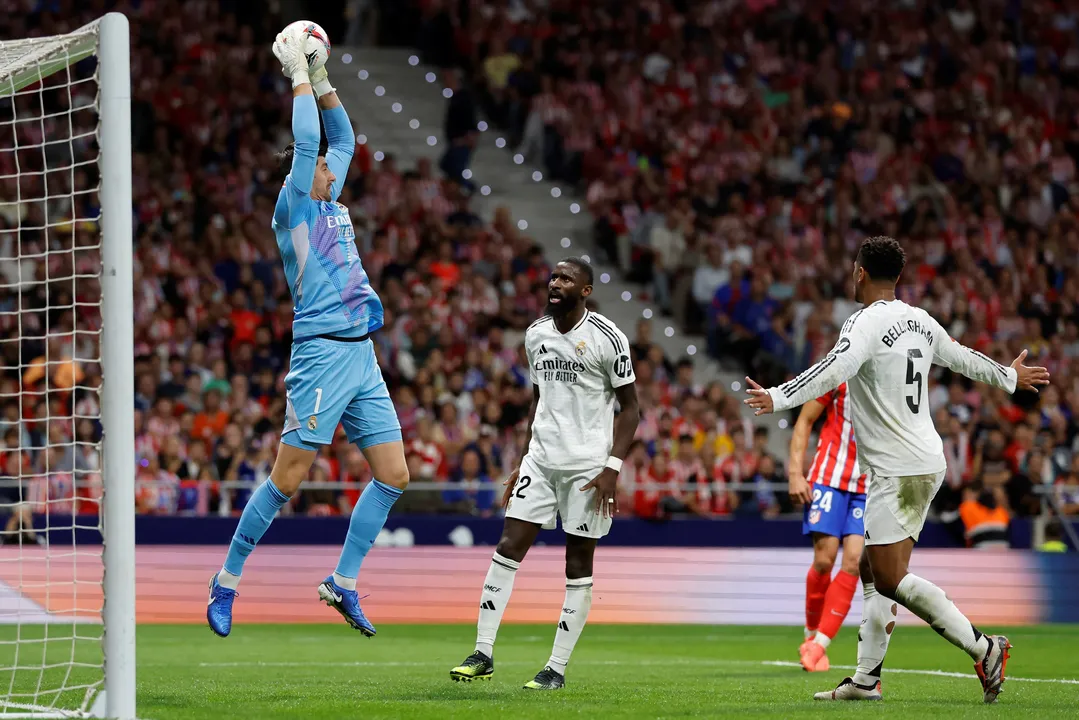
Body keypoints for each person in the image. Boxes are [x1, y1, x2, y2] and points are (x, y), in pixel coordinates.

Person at [744, 236, 1049, 704]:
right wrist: (1007, 376)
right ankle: (867, 680)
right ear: (898, 277)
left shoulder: (863, 323)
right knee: (870, 564)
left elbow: (833, 367)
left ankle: (984, 647)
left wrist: (778, 396)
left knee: (888, 576)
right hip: (921, 459)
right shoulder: (919, 320)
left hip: (898, 469)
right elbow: (961, 356)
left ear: (860, 272)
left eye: (853, 268)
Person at [206, 25, 409, 639]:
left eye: (326, 166)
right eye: (322, 166)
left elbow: (341, 135)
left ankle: (342, 584)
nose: (329, 166)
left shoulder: (332, 204)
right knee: (287, 480)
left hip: (362, 357)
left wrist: (322, 80)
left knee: (394, 475)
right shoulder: (293, 207)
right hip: (320, 356)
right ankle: (226, 581)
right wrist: (296, 73)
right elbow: (310, 143)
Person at [449, 258, 640, 689]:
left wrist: (612, 468)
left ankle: (555, 668)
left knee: (577, 564)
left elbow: (632, 410)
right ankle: (482, 652)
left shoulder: (608, 338)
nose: (555, 283)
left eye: (566, 279)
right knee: (507, 545)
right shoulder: (535, 334)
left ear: (585, 291)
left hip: (587, 468)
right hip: (540, 460)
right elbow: (539, 401)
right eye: (553, 277)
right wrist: (521, 460)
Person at [788, 381, 867, 672]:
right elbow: (805, 419)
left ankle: (819, 645)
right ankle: (809, 635)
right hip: (829, 477)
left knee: (854, 562)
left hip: (867, 483)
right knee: (824, 559)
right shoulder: (840, 370)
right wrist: (796, 474)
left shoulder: (893, 374)